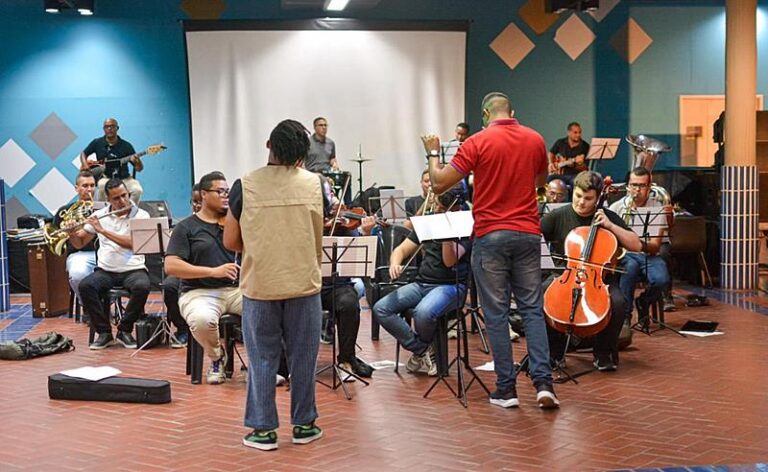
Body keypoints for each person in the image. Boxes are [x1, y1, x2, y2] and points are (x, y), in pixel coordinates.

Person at [421, 91, 559, 409]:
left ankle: (506, 390)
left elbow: (439, 183)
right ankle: (544, 385)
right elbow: (540, 181)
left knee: (496, 313)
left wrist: (433, 152)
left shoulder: (477, 142)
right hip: (528, 233)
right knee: (532, 309)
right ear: (512, 112)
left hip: (491, 235)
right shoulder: (535, 139)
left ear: (485, 115)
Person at [224, 119, 324, 451]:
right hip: (304, 283)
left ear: (269, 145)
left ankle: (263, 430)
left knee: (262, 358)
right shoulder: (314, 184)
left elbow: (231, 241)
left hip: (260, 285)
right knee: (303, 358)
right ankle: (304, 425)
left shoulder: (244, 185)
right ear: (302, 153)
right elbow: (317, 233)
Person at [541, 171, 642, 371]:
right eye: (578, 196)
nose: (581, 202)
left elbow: (636, 245)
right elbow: (534, 235)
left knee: (618, 303)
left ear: (597, 199)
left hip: (600, 279)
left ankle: (604, 353)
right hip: (564, 274)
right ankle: (555, 353)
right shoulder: (558, 216)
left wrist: (610, 225)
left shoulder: (606, 216)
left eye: (588, 199)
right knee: (544, 295)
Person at [372, 185, 470, 376]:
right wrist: (395, 263)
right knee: (381, 308)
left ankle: (423, 351)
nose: (437, 210)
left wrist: (446, 235)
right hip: (422, 283)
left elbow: (449, 261)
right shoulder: (429, 223)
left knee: (422, 313)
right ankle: (422, 349)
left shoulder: (464, 225)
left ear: (455, 208)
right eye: (436, 206)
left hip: (451, 286)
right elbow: (401, 249)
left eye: (441, 208)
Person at [165, 172, 241, 384]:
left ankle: (265, 364)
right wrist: (213, 271)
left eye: (228, 192)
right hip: (199, 292)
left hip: (237, 289)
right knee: (201, 319)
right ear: (204, 194)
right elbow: (171, 265)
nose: (226, 196)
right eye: (220, 191)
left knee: (267, 310)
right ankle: (217, 358)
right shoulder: (186, 227)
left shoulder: (235, 223)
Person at [77, 178, 151, 350]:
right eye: (116, 198)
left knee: (143, 286)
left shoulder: (141, 215)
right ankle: (104, 333)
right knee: (86, 286)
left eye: (125, 195)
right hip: (106, 270)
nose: (123, 201)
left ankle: (124, 330)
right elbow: (79, 242)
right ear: (108, 200)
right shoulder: (100, 215)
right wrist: (72, 231)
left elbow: (133, 243)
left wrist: (102, 231)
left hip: (134, 269)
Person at [608, 167, 672, 327]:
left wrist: (638, 245)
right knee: (629, 268)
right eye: (634, 185)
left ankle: (644, 301)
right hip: (625, 255)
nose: (637, 190)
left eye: (642, 186)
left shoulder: (657, 208)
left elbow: (656, 246)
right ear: (628, 186)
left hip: (649, 253)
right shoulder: (616, 208)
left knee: (662, 280)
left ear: (649, 187)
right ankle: (624, 317)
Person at [54, 170, 97, 300]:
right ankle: (89, 306)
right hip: (79, 253)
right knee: (78, 274)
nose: (89, 189)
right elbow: (57, 235)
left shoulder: (103, 208)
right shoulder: (64, 211)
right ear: (76, 188)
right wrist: (70, 232)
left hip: (103, 252)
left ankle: (100, 305)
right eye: (85, 186)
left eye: (92, 185)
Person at [80, 118, 144, 204]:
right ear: (104, 129)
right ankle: (103, 210)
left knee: (137, 190)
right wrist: (85, 164)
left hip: (124, 179)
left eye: (112, 126)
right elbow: (83, 154)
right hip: (106, 177)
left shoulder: (126, 146)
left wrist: (137, 162)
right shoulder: (97, 142)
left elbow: (139, 169)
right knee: (101, 185)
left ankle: (128, 210)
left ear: (117, 128)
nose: (109, 129)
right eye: (107, 127)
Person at [547, 122, 589, 188]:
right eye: (575, 132)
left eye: (580, 132)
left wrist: (576, 165)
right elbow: (551, 153)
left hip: (575, 175)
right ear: (569, 132)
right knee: (549, 178)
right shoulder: (560, 142)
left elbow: (585, 168)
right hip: (560, 174)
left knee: (575, 182)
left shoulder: (585, 146)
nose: (578, 135)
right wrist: (551, 163)